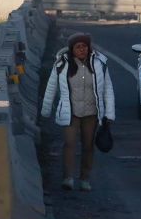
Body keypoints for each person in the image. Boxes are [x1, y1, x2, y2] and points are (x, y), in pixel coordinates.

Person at [41, 33, 116, 192]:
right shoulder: (62, 64)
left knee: (88, 146)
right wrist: (45, 110)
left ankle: (85, 179)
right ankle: (68, 178)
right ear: (72, 49)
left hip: (91, 113)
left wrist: (109, 114)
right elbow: (51, 87)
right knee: (69, 144)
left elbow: (107, 89)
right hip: (70, 113)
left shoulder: (99, 63)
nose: (82, 50)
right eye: (78, 47)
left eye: (84, 46)